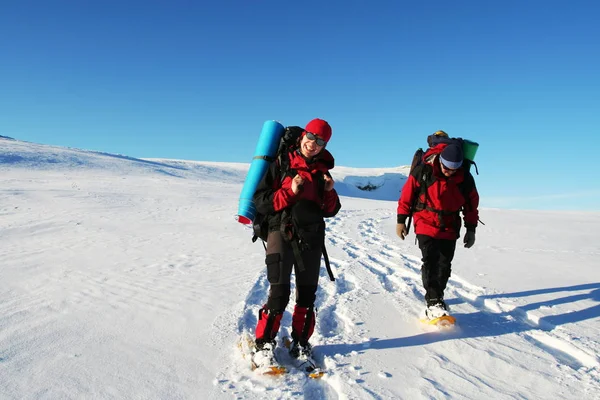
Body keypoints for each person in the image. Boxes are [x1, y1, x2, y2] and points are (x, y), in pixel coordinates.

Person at [251, 118, 341, 369]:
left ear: (325, 145)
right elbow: (261, 200)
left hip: (311, 236)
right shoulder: (281, 163)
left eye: (320, 141)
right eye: (311, 137)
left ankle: (300, 343)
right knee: (279, 292)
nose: (313, 144)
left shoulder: (323, 171)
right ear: (303, 136)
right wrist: (289, 191)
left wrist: (330, 192)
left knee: (307, 294)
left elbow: (330, 210)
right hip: (281, 230)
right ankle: (263, 344)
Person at [396, 135, 479, 320]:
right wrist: (401, 220)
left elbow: (471, 205)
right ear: (440, 161)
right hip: (425, 221)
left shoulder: (464, 177)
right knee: (431, 260)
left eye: (454, 169)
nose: (450, 172)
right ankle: (433, 301)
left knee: (444, 264)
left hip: (449, 225)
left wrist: (471, 229)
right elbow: (407, 196)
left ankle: (438, 295)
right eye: (447, 168)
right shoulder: (424, 171)